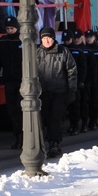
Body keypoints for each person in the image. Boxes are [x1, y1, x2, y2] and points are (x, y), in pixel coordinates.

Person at [35, 26, 77, 158]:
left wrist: (72, 90)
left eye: (49, 38)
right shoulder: (36, 52)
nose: (47, 41)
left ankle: (54, 144)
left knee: (56, 119)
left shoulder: (63, 51)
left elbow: (72, 71)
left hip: (59, 92)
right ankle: (43, 143)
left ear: (54, 39)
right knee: (45, 118)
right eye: (44, 38)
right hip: (42, 92)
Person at [0, 16, 23, 148]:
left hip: (23, 81)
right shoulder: (2, 41)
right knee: (12, 110)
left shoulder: (23, 40)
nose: (10, 31)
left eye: (12, 28)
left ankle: (26, 136)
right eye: (8, 28)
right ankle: (18, 137)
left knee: (22, 110)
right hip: (9, 80)